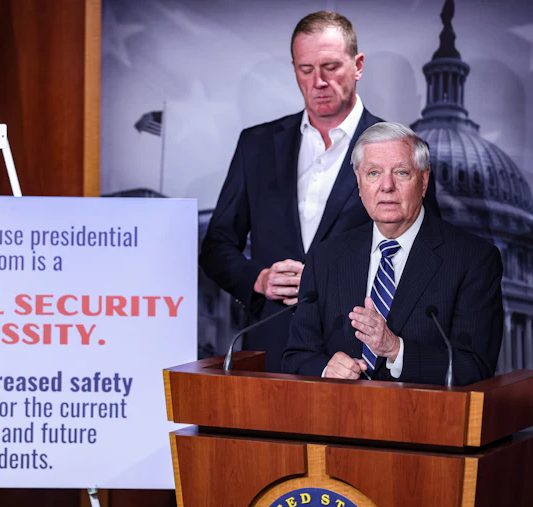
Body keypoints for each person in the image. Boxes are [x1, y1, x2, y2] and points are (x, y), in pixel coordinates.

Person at [200, 11, 440, 372]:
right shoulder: (257, 145)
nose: (319, 82)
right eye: (306, 69)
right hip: (272, 348)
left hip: (361, 355)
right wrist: (258, 280)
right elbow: (217, 245)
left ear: (358, 65)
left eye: (330, 67)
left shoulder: (401, 148)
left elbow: (427, 250)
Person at [282, 122, 503, 385]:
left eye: (401, 172)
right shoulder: (326, 257)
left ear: (424, 181)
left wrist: (396, 350)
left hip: (424, 421)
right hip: (337, 419)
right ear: (359, 184)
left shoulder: (474, 260)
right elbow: (296, 357)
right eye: (373, 173)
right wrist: (325, 368)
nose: (386, 186)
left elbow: (475, 367)